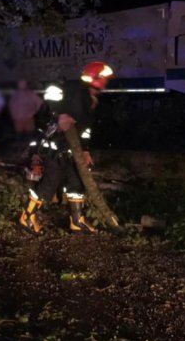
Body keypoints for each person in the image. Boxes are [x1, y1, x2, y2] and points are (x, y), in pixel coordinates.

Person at [19, 61, 114, 234]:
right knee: (49, 184)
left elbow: (85, 130)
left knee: (77, 183)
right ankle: (27, 217)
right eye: (104, 78)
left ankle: (77, 222)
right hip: (55, 148)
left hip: (72, 151)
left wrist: (85, 149)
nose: (106, 82)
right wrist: (59, 114)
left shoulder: (90, 100)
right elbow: (50, 92)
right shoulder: (73, 88)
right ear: (95, 78)